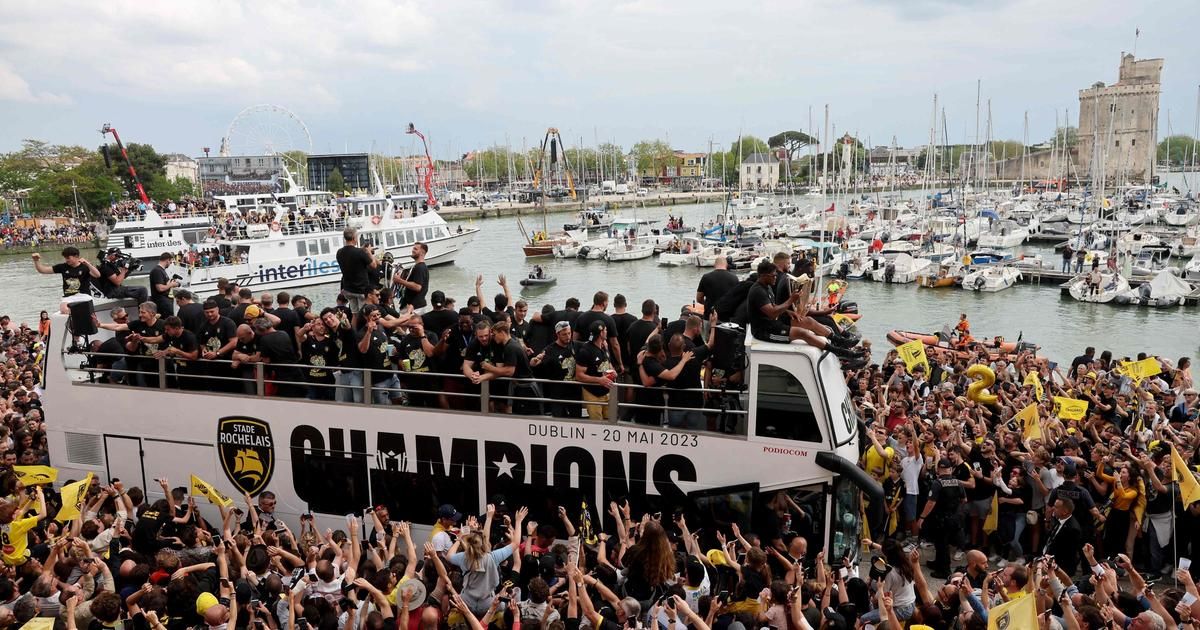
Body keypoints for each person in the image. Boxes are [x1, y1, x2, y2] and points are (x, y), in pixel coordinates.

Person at [532, 321, 581, 418]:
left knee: (576, 420)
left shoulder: (576, 345)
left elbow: (590, 346)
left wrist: (602, 343)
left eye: (569, 333)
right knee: (559, 419)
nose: (568, 336)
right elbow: (538, 366)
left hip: (574, 392)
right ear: (557, 334)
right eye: (564, 334)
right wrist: (534, 363)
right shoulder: (549, 350)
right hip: (558, 393)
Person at [575, 321, 616, 421]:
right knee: (597, 423)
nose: (607, 332)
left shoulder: (604, 346)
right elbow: (579, 375)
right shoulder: (586, 351)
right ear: (601, 333)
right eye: (605, 330)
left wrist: (613, 371)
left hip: (607, 391)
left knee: (610, 419)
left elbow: (607, 362)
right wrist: (599, 380)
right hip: (593, 393)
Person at [337, 228, 378, 319]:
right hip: (361, 289)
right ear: (354, 238)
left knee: (355, 314)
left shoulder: (339, 252)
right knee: (365, 314)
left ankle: (355, 331)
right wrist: (369, 252)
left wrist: (362, 250)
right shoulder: (360, 252)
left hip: (348, 289)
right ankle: (365, 331)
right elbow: (374, 265)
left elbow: (352, 257)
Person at [31, 247, 100, 299]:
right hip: (68, 297)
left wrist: (88, 264)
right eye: (65, 258)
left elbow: (97, 275)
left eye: (68, 258)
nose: (66, 260)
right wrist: (36, 261)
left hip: (84, 296)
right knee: (63, 308)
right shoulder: (62, 267)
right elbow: (43, 270)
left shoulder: (85, 266)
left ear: (76, 256)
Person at [393, 241, 430, 312]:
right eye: (413, 248)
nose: (412, 250)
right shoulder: (418, 266)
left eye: (415, 249)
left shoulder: (420, 267)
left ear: (422, 252)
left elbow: (417, 287)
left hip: (414, 307)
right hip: (413, 305)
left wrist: (399, 281)